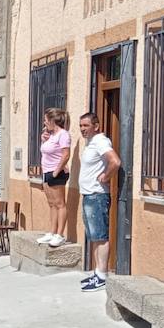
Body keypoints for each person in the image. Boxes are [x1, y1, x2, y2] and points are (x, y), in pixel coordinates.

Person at [77, 113, 120, 292]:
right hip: (88, 195)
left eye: (86, 125)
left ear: (96, 125)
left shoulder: (101, 141)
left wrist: (106, 176)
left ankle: (102, 276)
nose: (82, 129)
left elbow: (115, 162)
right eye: (81, 125)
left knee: (100, 236)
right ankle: (97, 272)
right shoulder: (91, 143)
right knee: (93, 236)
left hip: (97, 195)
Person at [37, 109, 73, 249]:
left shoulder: (63, 135)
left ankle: (59, 234)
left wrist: (56, 172)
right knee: (51, 204)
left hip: (56, 172)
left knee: (60, 204)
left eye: (46, 120)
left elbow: (66, 155)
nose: (44, 123)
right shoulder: (51, 135)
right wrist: (43, 140)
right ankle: (52, 232)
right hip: (47, 172)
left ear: (53, 120)